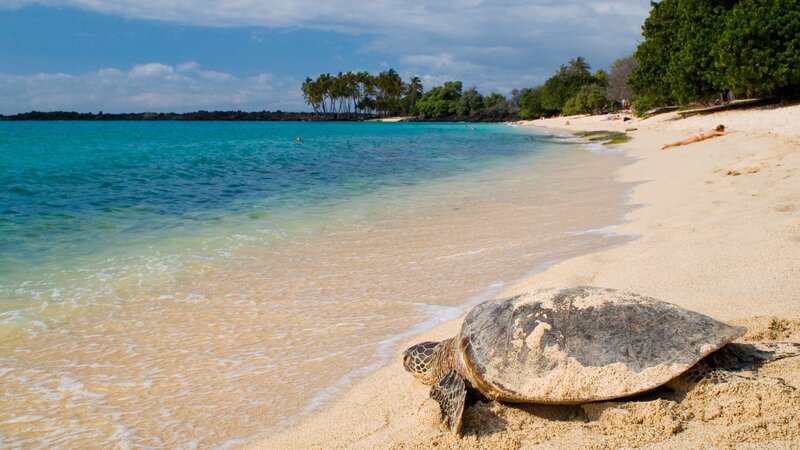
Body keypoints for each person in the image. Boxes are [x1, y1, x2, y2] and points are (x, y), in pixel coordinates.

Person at [661, 125, 726, 150]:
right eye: (723, 129)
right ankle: (667, 145)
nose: (723, 130)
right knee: (682, 143)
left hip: (697, 135)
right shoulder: (715, 132)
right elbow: (724, 134)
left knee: (682, 142)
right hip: (698, 137)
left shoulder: (712, 130)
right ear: (720, 129)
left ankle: (667, 145)